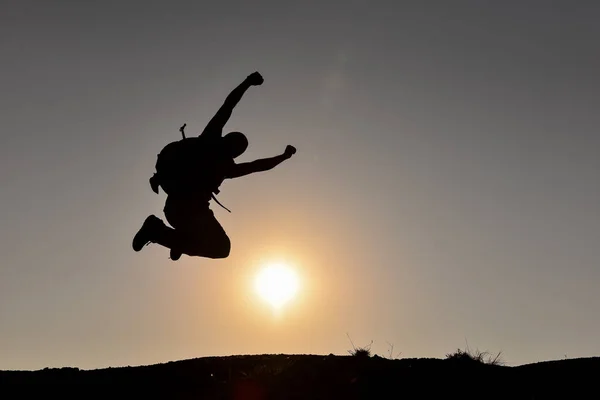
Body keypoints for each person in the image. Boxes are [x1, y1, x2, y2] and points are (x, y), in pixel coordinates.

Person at [132, 71, 297, 260]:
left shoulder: (226, 166)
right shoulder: (210, 140)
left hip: (183, 212)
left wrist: (283, 157)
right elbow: (228, 106)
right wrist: (247, 82)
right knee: (220, 248)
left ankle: (176, 239)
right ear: (227, 140)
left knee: (220, 248)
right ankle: (163, 233)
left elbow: (258, 165)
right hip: (185, 209)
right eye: (235, 144)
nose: (234, 149)